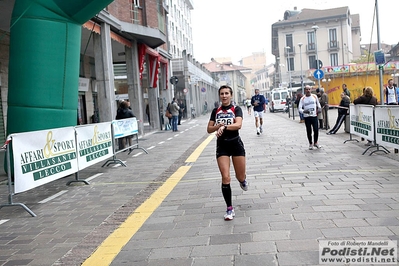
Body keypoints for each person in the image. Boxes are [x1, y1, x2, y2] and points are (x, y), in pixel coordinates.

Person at [207, 85, 248, 221]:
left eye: (226, 93)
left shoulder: (236, 109)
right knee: (226, 177)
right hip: (222, 146)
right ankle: (229, 208)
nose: (224, 96)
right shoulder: (216, 111)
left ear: (231, 95)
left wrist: (224, 126)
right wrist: (217, 126)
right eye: (222, 94)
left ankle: (243, 181)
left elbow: (238, 125)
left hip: (236, 144)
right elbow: (209, 129)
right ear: (219, 96)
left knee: (239, 176)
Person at [298, 85, 322, 150]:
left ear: (311, 90)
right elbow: (299, 108)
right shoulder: (302, 99)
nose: (308, 91)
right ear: (305, 90)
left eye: (309, 89)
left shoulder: (314, 96)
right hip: (307, 117)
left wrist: (319, 108)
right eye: (307, 89)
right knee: (309, 131)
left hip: (314, 116)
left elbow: (318, 104)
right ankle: (310, 143)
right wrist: (304, 111)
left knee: (316, 130)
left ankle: (316, 142)